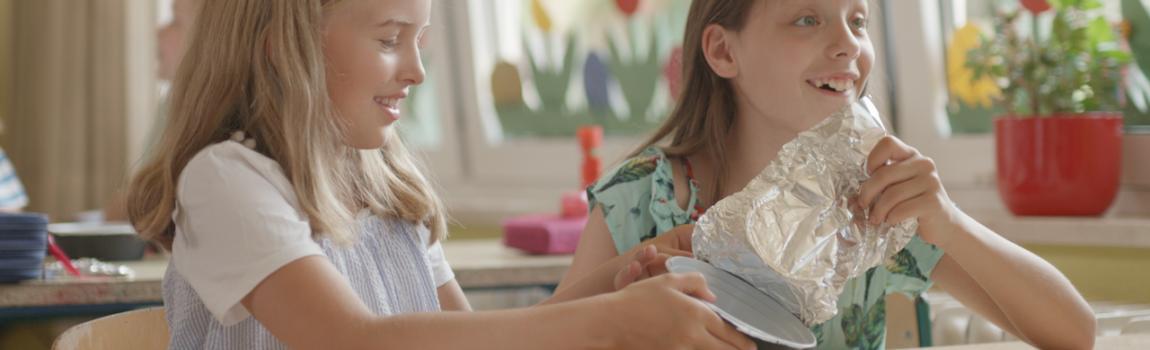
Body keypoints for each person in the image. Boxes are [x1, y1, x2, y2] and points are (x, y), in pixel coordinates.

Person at [125, 0, 754, 349]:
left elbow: (466, 340)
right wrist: (612, 320)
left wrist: (617, 283)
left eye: (421, 40)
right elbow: (354, 342)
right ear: (280, 44)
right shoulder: (228, 181)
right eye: (391, 38)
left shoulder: (384, 183)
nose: (417, 71)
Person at [558, 1, 1097, 349]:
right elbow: (536, 334)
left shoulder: (878, 202)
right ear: (723, 50)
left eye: (857, 20)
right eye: (807, 19)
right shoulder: (645, 199)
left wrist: (950, 221)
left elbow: (1075, 334)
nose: (848, 46)